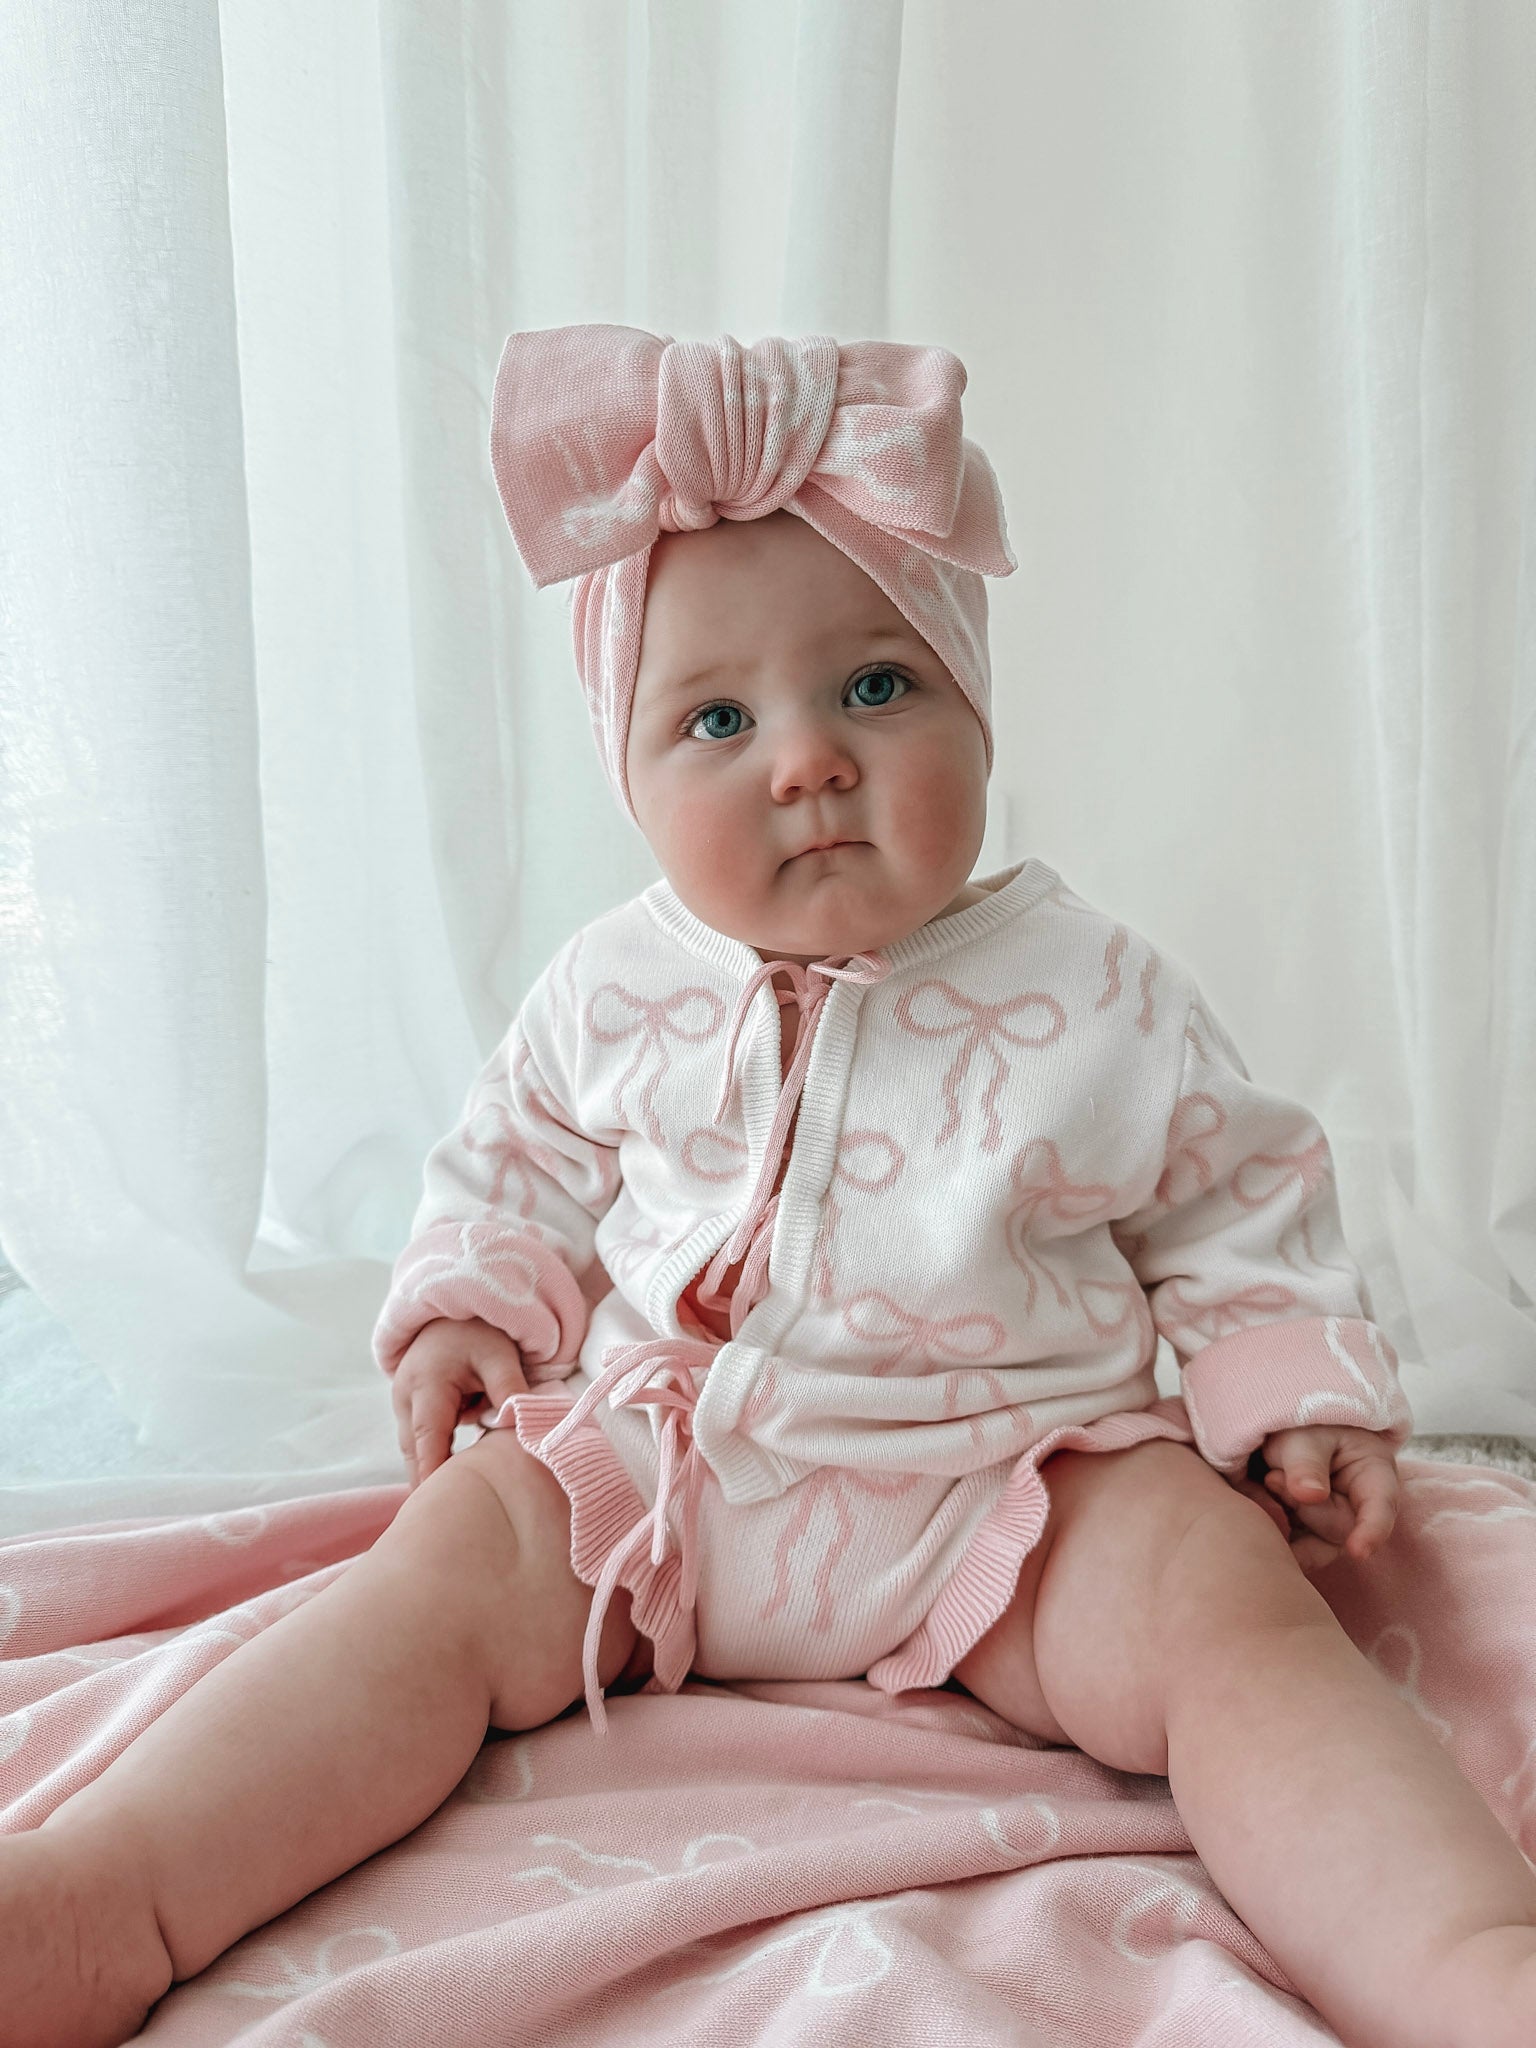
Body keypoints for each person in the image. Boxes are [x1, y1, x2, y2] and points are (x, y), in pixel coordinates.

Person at [3, 325, 1532, 2048]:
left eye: (876, 687)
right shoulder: (610, 982)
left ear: (972, 701)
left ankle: (1463, 1962)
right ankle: (111, 1891)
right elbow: (517, 1162)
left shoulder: (1099, 992)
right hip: (671, 1482)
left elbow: (1238, 1211)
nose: (804, 759)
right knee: (442, 1570)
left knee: (1228, 1612)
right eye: (717, 718)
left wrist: (1285, 1399)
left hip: (1013, 1497)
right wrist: (471, 1303)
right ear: (633, 771)